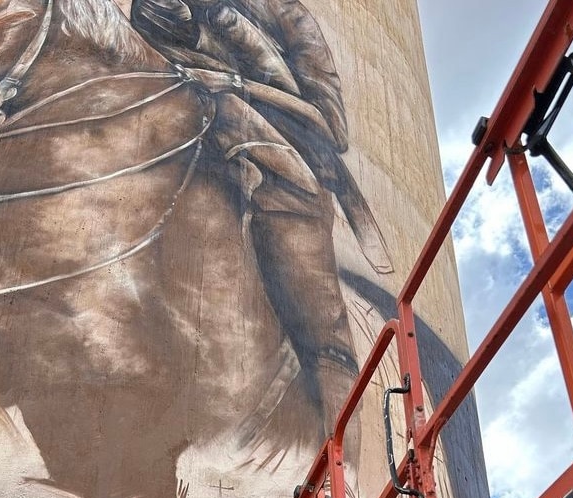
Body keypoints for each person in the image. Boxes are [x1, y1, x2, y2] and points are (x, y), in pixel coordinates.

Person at [132, 0, 394, 434]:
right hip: (179, 109)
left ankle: (339, 443)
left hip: (276, 144)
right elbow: (146, 42)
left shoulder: (286, 13)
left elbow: (330, 124)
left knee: (316, 308)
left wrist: (228, 33)